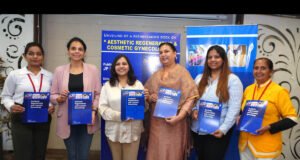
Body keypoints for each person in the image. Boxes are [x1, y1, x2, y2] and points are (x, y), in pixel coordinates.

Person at [144, 42, 199, 160]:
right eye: (160, 52)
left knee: (173, 153)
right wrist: (150, 97)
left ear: (175, 54)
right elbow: (146, 92)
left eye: (166, 51)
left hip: (175, 123)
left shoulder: (182, 73)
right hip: (156, 123)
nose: (163, 54)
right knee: (155, 151)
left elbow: (191, 97)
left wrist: (180, 116)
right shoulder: (156, 74)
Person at [1, 42, 54, 160]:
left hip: (42, 117)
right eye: (31, 53)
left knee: (39, 153)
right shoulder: (15, 75)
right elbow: (5, 96)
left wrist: (51, 105)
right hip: (21, 115)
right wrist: (11, 106)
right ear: (25, 56)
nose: (35, 56)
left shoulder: (50, 76)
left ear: (43, 57)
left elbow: (52, 96)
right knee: (22, 154)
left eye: (38, 54)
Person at [50, 37, 101, 160]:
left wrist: (93, 111)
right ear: (68, 51)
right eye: (73, 48)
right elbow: (52, 95)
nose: (76, 51)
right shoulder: (59, 70)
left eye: (80, 49)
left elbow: (98, 94)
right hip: (67, 120)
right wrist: (60, 99)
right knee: (72, 155)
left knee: (83, 155)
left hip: (87, 119)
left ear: (84, 52)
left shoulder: (93, 69)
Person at [238, 57, 298, 160]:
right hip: (245, 144)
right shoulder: (248, 89)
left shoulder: (279, 91)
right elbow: (243, 110)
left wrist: (269, 127)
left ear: (270, 72)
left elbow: (292, 119)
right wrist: (239, 116)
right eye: (256, 68)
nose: (259, 71)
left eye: (263, 68)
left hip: (266, 146)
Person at [191, 45, 243, 160]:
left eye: (217, 57)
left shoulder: (233, 80)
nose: (213, 60)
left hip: (217, 131)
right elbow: (193, 99)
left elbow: (234, 109)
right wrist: (194, 110)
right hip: (197, 129)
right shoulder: (199, 78)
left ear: (223, 59)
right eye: (210, 57)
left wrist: (223, 129)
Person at [98, 54, 144, 160]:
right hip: (114, 130)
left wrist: (144, 100)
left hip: (133, 130)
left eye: (124, 63)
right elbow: (102, 108)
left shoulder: (138, 85)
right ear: (114, 67)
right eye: (118, 64)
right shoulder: (107, 86)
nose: (121, 66)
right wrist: (120, 116)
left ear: (129, 66)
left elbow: (143, 109)